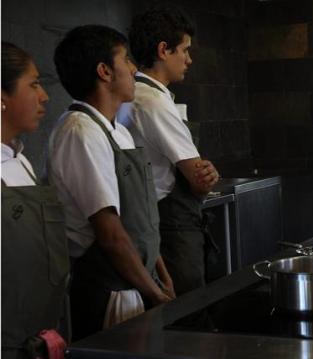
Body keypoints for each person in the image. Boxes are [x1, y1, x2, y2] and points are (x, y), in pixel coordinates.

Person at [49, 25, 175, 340]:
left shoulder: (118, 130)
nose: (134, 69)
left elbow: (140, 219)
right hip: (110, 289)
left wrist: (161, 276)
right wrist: (155, 294)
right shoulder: (81, 132)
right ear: (104, 71)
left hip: (139, 282)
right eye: (126, 60)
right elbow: (111, 235)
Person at [119, 6, 219, 297]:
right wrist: (207, 176)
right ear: (164, 50)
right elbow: (198, 178)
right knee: (188, 312)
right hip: (171, 222)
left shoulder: (135, 95)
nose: (188, 59)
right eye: (184, 50)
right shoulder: (153, 101)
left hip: (155, 217)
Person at [1, 42, 69, 359]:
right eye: (33, 84)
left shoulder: (22, 161)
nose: (44, 96)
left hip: (41, 337)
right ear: (2, 99)